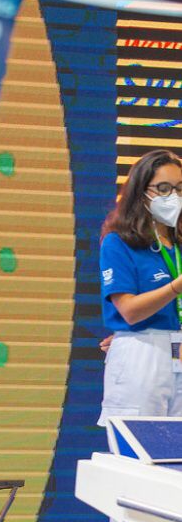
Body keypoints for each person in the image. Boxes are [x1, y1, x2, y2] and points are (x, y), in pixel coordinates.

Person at [98, 148, 182, 426]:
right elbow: (130, 312)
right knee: (137, 455)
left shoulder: (179, 244)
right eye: (164, 188)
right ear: (140, 191)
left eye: (180, 188)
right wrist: (176, 287)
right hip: (141, 351)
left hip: (177, 349)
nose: (174, 197)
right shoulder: (119, 242)